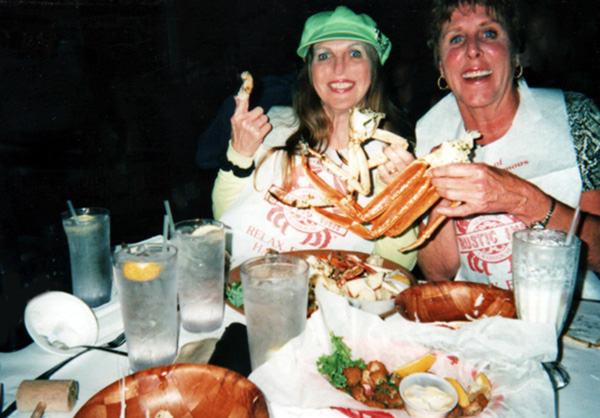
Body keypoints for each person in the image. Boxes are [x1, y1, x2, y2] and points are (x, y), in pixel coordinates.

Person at [389, 0, 600, 298]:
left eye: (489, 34)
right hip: (477, 317)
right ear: (440, 66)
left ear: (516, 56)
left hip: (574, 321)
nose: (472, 49)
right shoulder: (428, 132)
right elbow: (439, 274)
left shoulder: (577, 117)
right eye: (456, 38)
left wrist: (521, 200)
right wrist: (434, 198)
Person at [211, 6, 417, 268]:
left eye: (355, 53)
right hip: (251, 286)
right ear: (310, 69)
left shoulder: (397, 153)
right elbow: (226, 221)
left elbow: (395, 266)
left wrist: (399, 197)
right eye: (323, 55)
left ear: (374, 68)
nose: (338, 67)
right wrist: (238, 152)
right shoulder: (274, 125)